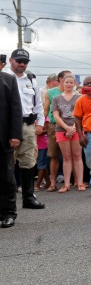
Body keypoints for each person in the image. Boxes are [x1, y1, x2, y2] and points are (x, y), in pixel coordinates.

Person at [7, 49, 45, 209]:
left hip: (27, 125)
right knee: (7, 163)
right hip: (7, 126)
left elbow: (38, 105)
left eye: (25, 62)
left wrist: (40, 123)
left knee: (29, 161)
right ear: (11, 60)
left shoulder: (31, 80)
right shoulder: (4, 78)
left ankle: (28, 197)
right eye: (18, 61)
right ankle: (7, 201)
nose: (22, 64)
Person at [51, 74, 84, 192]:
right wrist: (67, 128)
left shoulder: (80, 97)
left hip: (77, 129)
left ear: (75, 84)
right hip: (61, 130)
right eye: (67, 82)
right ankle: (66, 184)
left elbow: (82, 114)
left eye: (71, 82)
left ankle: (79, 183)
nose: (69, 84)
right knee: (66, 157)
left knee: (77, 156)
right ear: (62, 83)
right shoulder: (56, 98)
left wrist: (73, 128)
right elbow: (56, 115)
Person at [0, 69, 22, 228]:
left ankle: (8, 213)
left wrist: (15, 134)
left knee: (6, 178)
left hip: (3, 137)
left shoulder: (8, 79)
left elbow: (16, 109)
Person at [44, 70, 71, 191]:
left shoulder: (74, 93)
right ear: (60, 79)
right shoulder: (50, 93)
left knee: (72, 155)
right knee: (54, 155)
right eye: (66, 78)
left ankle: (75, 182)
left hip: (71, 125)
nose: (69, 81)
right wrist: (42, 123)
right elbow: (45, 110)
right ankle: (53, 183)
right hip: (54, 125)